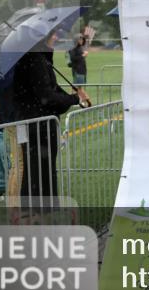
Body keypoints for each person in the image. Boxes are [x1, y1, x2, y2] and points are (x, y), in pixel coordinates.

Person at [12, 29, 90, 200]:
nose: (56, 37)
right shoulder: (35, 60)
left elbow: (51, 90)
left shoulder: (39, 58)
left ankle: (39, 212)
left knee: (38, 172)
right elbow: (46, 97)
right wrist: (74, 99)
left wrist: (73, 98)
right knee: (39, 173)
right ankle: (40, 213)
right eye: (52, 34)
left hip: (36, 125)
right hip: (38, 128)